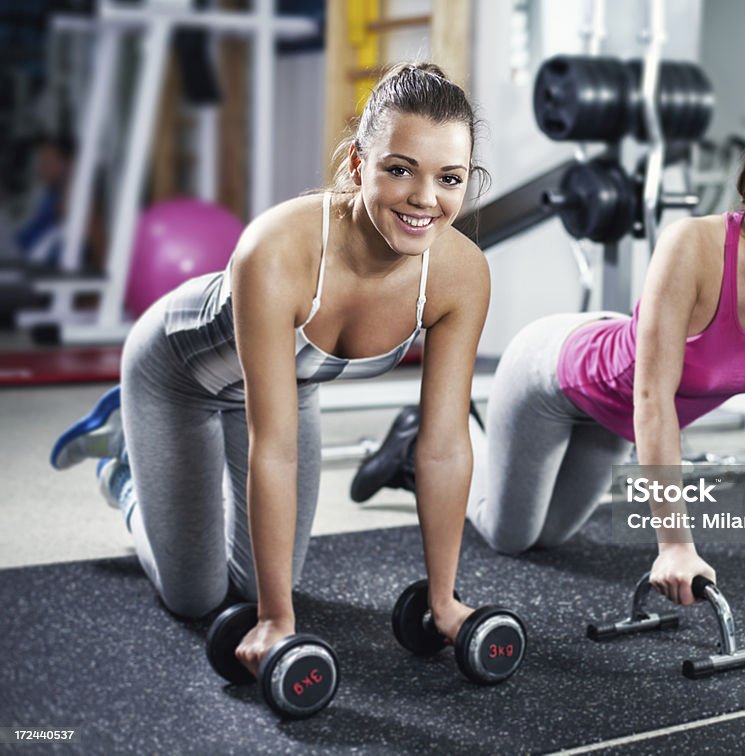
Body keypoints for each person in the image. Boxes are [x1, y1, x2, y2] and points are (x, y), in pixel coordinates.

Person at [50, 63, 490, 674]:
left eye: (450, 178)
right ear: (360, 165)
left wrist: (444, 601)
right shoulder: (278, 249)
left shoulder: (459, 274)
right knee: (197, 596)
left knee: (259, 580)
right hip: (179, 375)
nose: (425, 198)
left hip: (292, 384)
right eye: (399, 169)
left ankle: (164, 493)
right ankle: (124, 471)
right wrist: (278, 622)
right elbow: (273, 448)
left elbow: (442, 446)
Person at [353, 98, 745, 606]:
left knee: (550, 536)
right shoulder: (694, 247)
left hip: (615, 413)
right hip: (555, 378)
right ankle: (422, 434)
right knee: (510, 534)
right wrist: (675, 544)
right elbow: (653, 398)